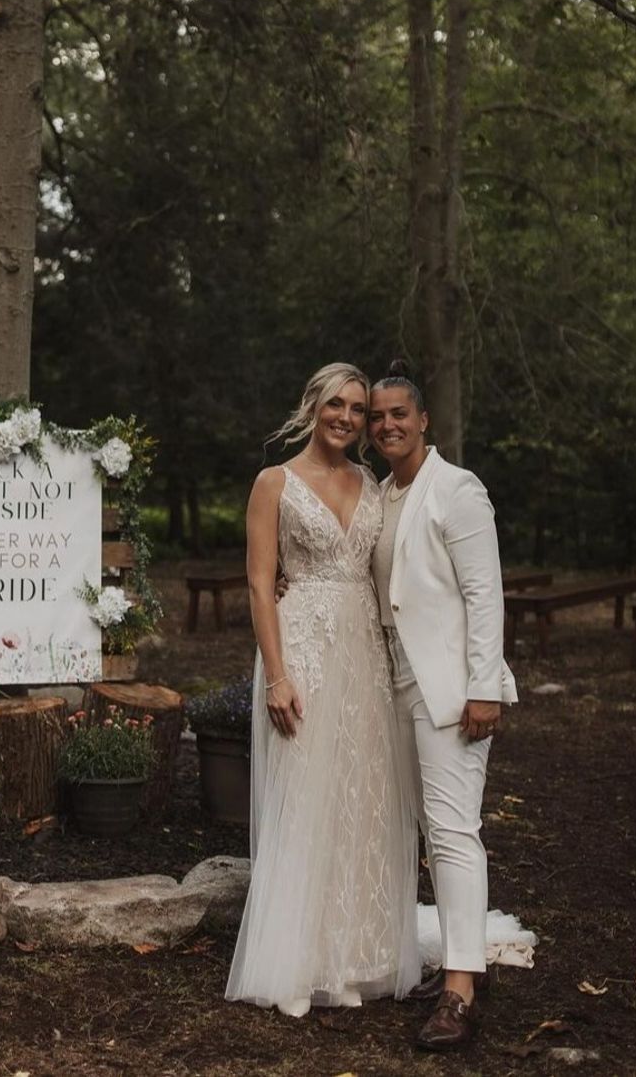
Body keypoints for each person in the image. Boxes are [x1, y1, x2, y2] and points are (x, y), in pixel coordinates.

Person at [225, 362, 420, 1017]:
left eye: (359, 409)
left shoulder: (373, 482)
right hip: (301, 651)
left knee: (360, 796)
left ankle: (351, 957)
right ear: (312, 405)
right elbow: (259, 582)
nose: (347, 416)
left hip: (364, 653)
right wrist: (277, 674)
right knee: (304, 792)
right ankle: (297, 961)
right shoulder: (273, 483)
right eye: (336, 403)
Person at [368, 362, 518, 1051]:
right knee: (418, 827)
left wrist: (484, 685)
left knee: (454, 832)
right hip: (393, 680)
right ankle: (451, 963)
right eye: (378, 416)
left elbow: (486, 592)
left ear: (424, 420)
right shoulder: (381, 492)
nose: (388, 424)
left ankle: (461, 989)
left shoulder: (456, 489)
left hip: (451, 687)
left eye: (400, 412)